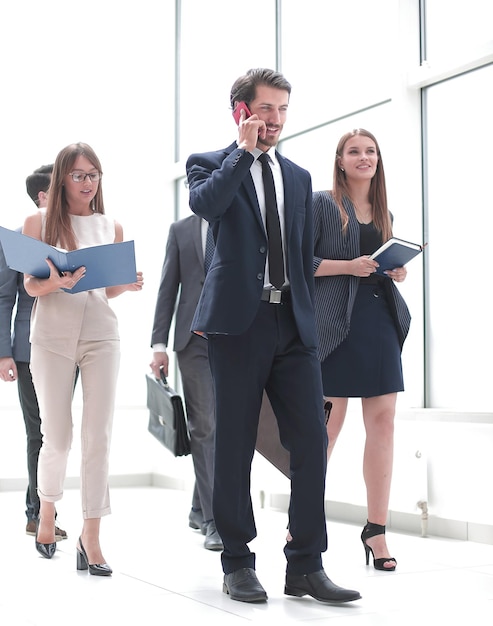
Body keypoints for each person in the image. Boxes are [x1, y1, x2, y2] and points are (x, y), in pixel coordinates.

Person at [185, 68, 361, 604]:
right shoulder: (210, 164)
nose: (275, 121)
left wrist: (313, 322)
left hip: (293, 324)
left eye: (283, 110)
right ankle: (237, 561)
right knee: (234, 443)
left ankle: (306, 563)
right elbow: (206, 206)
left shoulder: (300, 178)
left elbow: (300, 258)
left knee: (312, 441)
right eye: (265, 110)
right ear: (241, 111)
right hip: (239, 323)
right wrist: (241, 153)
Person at [22, 142, 143, 574]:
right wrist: (56, 281)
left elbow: (105, 288)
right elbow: (32, 288)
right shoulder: (37, 222)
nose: (88, 182)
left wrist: (125, 285)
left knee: (99, 435)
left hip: (100, 333)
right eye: (79, 175)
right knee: (57, 436)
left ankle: (91, 535)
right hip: (51, 336)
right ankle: (49, 513)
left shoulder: (112, 225)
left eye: (94, 174)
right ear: (61, 179)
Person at [312, 128, 411, 572]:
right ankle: (305, 522)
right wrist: (349, 267)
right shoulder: (321, 204)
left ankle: (377, 530)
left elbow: (379, 266)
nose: (364, 157)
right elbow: (301, 264)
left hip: (379, 322)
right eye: (355, 151)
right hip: (336, 324)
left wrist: (395, 272)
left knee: (384, 424)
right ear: (340, 160)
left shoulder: (384, 211)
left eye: (370, 151)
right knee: (328, 430)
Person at [0, 164, 68, 541]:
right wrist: (3, 353)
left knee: (59, 432)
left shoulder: (76, 233)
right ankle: (37, 512)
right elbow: (4, 298)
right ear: (44, 196)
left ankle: (44, 508)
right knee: (38, 432)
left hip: (71, 346)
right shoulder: (13, 239)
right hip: (28, 350)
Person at [149, 214, 222, 551]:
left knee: (225, 428)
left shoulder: (241, 221)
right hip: (192, 342)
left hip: (235, 339)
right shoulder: (180, 230)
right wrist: (158, 345)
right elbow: (169, 286)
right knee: (204, 426)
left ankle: (197, 507)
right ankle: (213, 519)